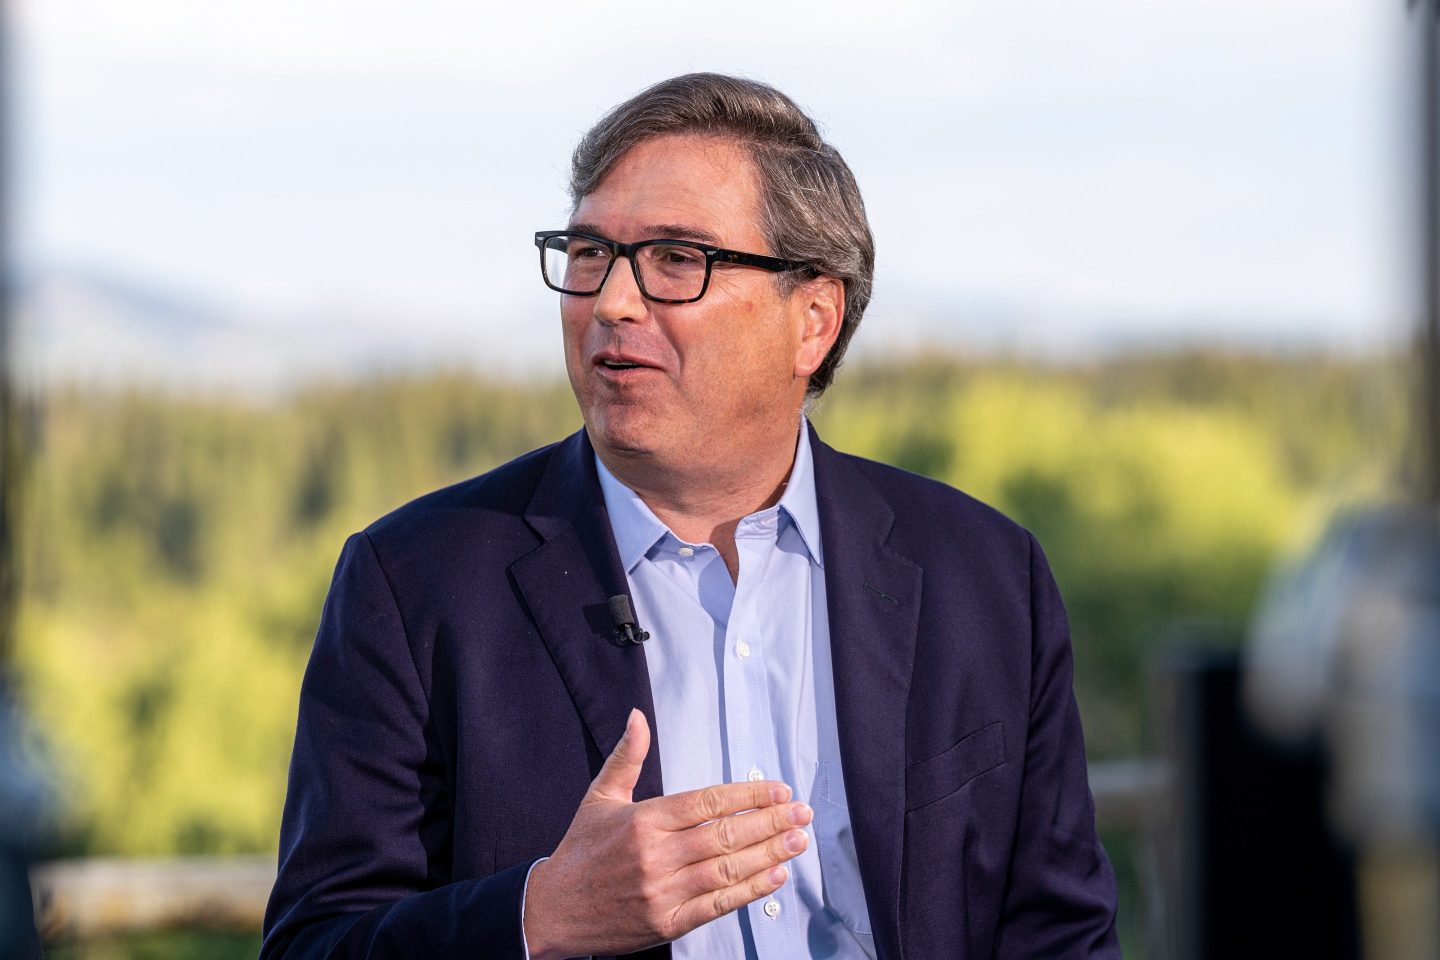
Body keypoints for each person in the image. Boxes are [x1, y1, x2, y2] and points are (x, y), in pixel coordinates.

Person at [261, 73, 1120, 960]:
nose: (611, 302)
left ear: (813, 320)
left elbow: (1060, 935)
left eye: (676, 259)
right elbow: (313, 946)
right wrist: (539, 916)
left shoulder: (985, 576)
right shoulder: (415, 585)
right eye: (589, 253)